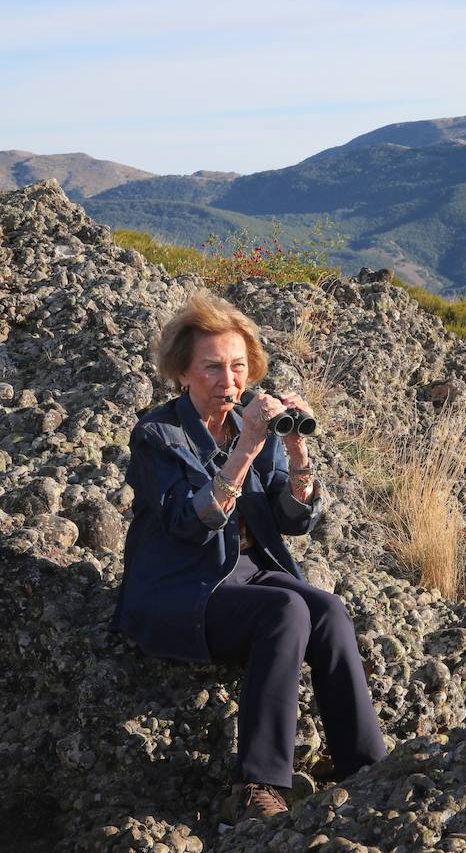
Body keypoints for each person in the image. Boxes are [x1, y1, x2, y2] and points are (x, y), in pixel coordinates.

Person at [111, 293, 387, 828]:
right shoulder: (156, 435)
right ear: (183, 372)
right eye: (212, 367)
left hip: (246, 570)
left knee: (327, 609)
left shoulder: (250, 422)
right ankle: (257, 785)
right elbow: (187, 523)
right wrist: (245, 452)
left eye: (238, 366)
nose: (228, 380)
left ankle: (366, 767)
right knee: (285, 611)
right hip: (178, 586)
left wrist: (300, 454)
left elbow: (293, 520)